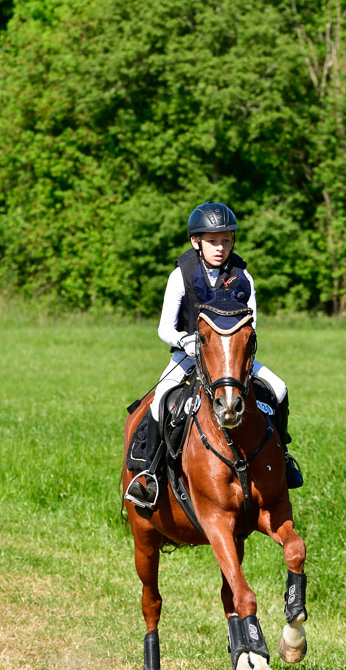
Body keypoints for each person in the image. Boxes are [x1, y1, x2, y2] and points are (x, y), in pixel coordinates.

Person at [126, 201, 303, 509]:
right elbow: (164, 328)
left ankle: (283, 457)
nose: (220, 247)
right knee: (159, 401)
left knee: (279, 387)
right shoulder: (180, 276)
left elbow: (252, 326)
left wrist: (232, 348)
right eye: (212, 240)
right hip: (189, 356)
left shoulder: (243, 277)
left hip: (230, 359)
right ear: (196, 242)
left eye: (226, 240)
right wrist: (187, 342)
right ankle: (150, 476)